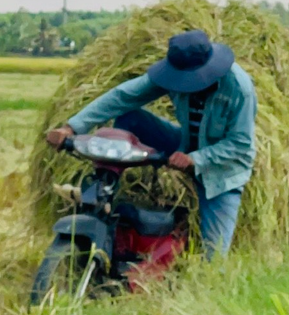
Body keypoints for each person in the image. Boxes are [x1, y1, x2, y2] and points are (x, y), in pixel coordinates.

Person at [45, 30, 257, 259]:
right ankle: (102, 194)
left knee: (213, 259)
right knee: (131, 118)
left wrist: (196, 159)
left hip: (221, 172)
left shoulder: (238, 88)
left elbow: (240, 144)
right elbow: (123, 96)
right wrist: (72, 127)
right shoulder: (175, 75)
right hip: (183, 144)